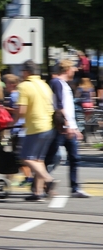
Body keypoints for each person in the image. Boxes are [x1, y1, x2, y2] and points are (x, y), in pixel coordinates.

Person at [12, 60, 57, 202]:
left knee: (25, 157)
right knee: (39, 160)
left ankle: (48, 179)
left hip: (35, 127)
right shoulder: (45, 85)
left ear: (26, 72)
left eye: (21, 71)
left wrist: (13, 123)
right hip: (49, 126)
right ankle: (38, 193)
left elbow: (22, 110)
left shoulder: (24, 86)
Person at [45, 59, 89, 198]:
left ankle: (75, 188)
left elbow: (69, 109)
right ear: (67, 69)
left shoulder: (65, 84)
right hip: (61, 128)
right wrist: (68, 126)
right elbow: (59, 106)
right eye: (73, 69)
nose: (74, 71)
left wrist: (75, 128)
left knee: (74, 158)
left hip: (69, 127)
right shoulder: (57, 83)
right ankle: (39, 185)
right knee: (50, 158)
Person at [3, 74, 33, 187]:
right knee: (22, 156)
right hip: (21, 128)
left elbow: (18, 111)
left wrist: (4, 108)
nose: (5, 86)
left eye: (7, 84)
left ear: (12, 84)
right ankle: (28, 176)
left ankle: (29, 177)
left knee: (19, 156)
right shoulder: (17, 94)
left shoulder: (14, 95)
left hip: (18, 129)